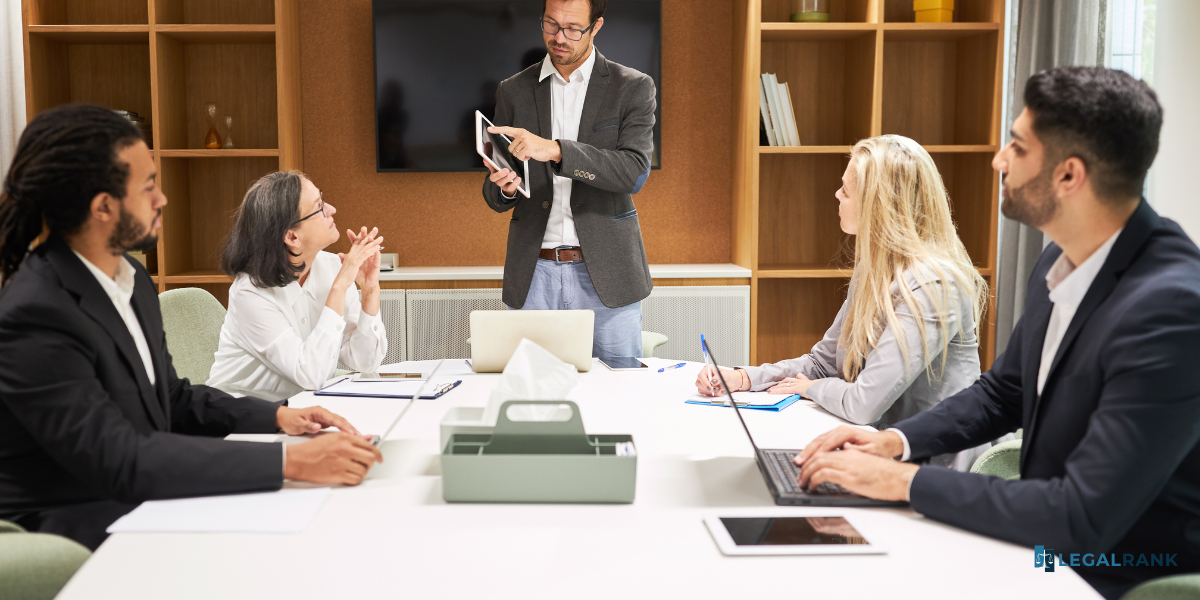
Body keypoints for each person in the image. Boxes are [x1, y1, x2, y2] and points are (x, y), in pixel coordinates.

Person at [792, 67, 1199, 598]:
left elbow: (1081, 515)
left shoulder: (1172, 309)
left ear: (1069, 176)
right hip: (1047, 550)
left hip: (1117, 575)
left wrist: (904, 481)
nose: (999, 159)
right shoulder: (1060, 259)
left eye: (1018, 147)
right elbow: (1003, 393)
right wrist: (893, 442)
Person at [0, 105, 383, 550]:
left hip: (139, 494)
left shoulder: (129, 279)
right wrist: (288, 461)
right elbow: (119, 458)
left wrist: (279, 417)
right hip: (71, 527)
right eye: (148, 187)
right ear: (103, 207)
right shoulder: (37, 312)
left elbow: (172, 399)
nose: (161, 199)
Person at [696, 135, 1000, 470]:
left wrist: (813, 389)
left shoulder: (934, 285)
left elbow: (863, 404)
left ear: (876, 205)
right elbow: (822, 363)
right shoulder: (873, 270)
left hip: (938, 468)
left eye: (846, 190)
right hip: (883, 452)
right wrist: (743, 378)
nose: (837, 195)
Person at [481, 0, 656, 361]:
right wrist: (505, 187)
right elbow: (495, 185)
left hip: (608, 274)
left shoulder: (632, 87)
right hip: (533, 275)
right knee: (532, 390)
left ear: (596, 26)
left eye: (573, 29)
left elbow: (634, 171)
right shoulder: (513, 90)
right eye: (551, 24)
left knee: (619, 391)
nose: (559, 38)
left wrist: (558, 150)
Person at [206, 171, 388, 401]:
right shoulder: (249, 293)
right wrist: (340, 286)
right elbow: (310, 374)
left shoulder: (332, 267)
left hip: (300, 407)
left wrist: (370, 289)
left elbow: (365, 361)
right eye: (319, 207)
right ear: (292, 238)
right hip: (240, 411)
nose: (332, 209)